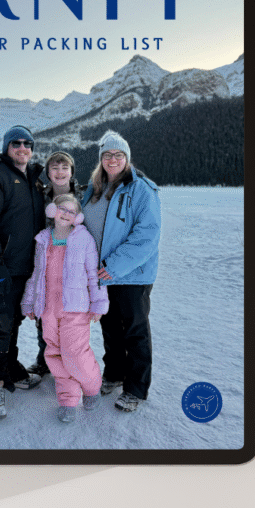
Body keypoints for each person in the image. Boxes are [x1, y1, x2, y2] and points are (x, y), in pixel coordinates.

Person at [80, 131, 161, 413]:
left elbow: (146, 236)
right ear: (101, 159)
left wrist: (114, 266)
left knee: (134, 331)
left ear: (126, 158)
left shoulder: (141, 189)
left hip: (131, 274)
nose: (112, 160)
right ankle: (114, 374)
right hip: (101, 274)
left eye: (118, 155)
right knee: (110, 328)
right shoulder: (95, 188)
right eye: (107, 155)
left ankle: (136, 388)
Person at [0, 124, 45, 420]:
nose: (22, 147)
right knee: (0, 324)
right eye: (16, 143)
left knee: (15, 320)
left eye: (27, 143)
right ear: (6, 147)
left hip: (27, 266)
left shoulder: (34, 179)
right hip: (2, 266)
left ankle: (10, 370)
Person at [21, 194, 108, 422]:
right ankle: (68, 399)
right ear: (52, 210)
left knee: (75, 353)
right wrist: (29, 301)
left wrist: (98, 303)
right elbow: (36, 274)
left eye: (72, 211)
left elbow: (94, 275)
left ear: (77, 217)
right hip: (48, 309)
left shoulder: (84, 239)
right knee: (55, 354)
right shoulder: (43, 239)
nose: (66, 214)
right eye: (62, 208)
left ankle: (92, 388)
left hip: (76, 308)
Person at [27, 150, 80, 377]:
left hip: (73, 265)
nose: (60, 172)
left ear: (71, 171)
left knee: (73, 316)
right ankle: (45, 360)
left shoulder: (84, 196)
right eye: (55, 168)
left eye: (64, 168)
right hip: (46, 263)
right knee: (45, 313)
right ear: (48, 173)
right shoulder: (39, 196)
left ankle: (72, 361)